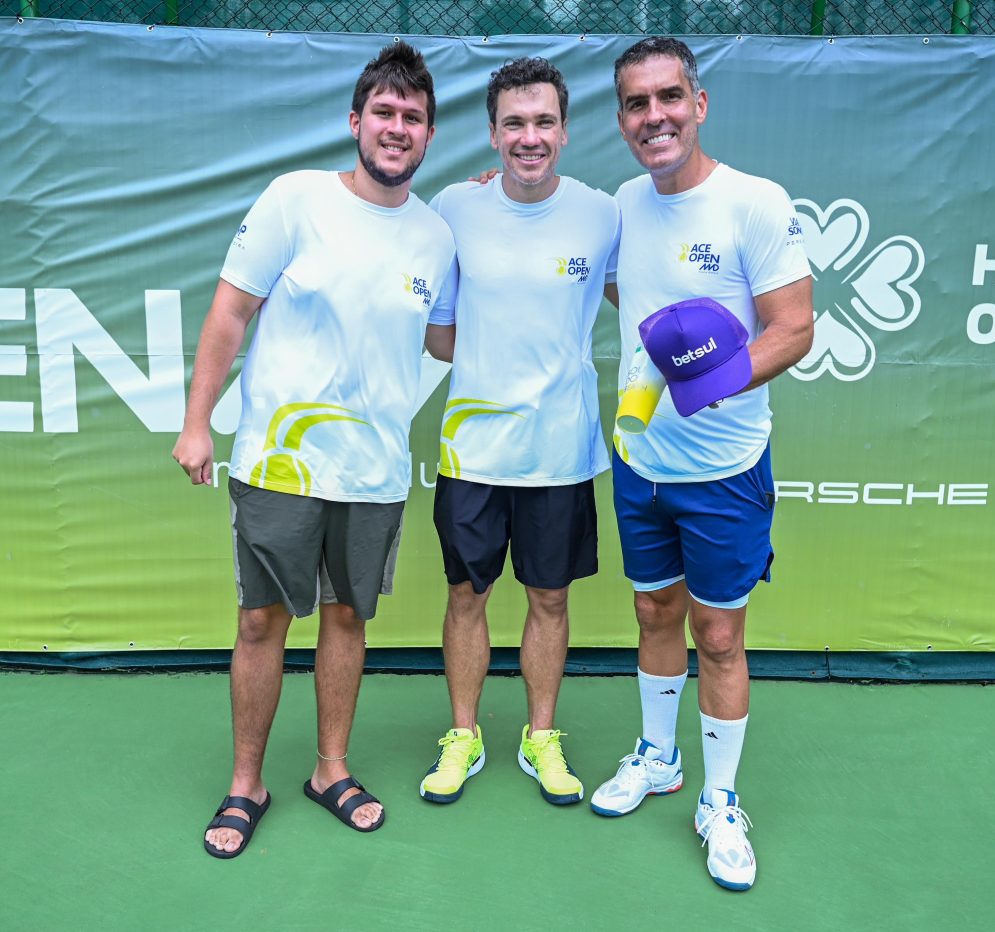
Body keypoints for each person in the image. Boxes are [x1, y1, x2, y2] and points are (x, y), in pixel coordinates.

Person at [172, 41, 457, 858]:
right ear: (356, 120)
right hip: (279, 462)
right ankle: (245, 784)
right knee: (261, 621)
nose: (397, 128)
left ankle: (330, 769)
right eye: (385, 113)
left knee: (346, 617)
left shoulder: (437, 237)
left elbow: (444, 341)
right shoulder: (295, 200)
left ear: (430, 133)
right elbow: (230, 314)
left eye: (413, 117)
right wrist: (198, 423)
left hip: (373, 471)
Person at [589, 37, 814, 892]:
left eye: (669, 98)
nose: (656, 118)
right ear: (622, 121)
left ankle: (720, 800)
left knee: (718, 634)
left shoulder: (754, 202)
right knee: (653, 612)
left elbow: (793, 328)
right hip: (639, 460)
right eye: (638, 105)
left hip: (725, 465)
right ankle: (657, 757)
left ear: (699, 102)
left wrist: (708, 378)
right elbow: (627, 292)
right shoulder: (623, 203)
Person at [416, 57, 620, 807]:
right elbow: (441, 337)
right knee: (466, 596)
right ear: (493, 133)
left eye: (543, 122)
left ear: (564, 130)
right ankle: (463, 735)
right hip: (473, 449)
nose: (529, 137)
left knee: (551, 601)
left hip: (561, 452)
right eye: (514, 123)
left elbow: (643, 296)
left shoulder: (604, 213)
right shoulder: (452, 209)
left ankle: (541, 736)